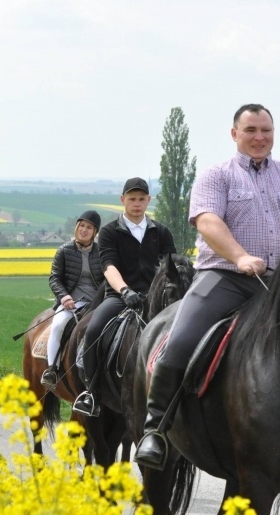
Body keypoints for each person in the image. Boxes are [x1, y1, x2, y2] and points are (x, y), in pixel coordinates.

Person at [135, 103, 280, 470]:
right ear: (235, 135)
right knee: (180, 340)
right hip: (224, 278)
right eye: (251, 130)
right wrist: (240, 256)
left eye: (266, 130)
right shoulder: (217, 176)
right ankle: (156, 429)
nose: (259, 137)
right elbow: (209, 222)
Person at [72, 178, 176, 417]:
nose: (137, 204)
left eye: (141, 199)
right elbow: (108, 266)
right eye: (132, 199)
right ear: (123, 200)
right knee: (94, 329)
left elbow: (172, 265)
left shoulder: (160, 232)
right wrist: (125, 290)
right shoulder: (110, 232)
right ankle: (91, 392)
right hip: (120, 296)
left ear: (148, 200)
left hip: (156, 299)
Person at [40, 210, 104, 389]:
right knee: (59, 325)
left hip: (97, 303)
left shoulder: (102, 252)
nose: (84, 230)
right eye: (81, 226)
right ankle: (52, 369)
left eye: (89, 227)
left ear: (95, 232)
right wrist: (64, 297)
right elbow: (54, 278)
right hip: (71, 303)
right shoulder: (64, 251)